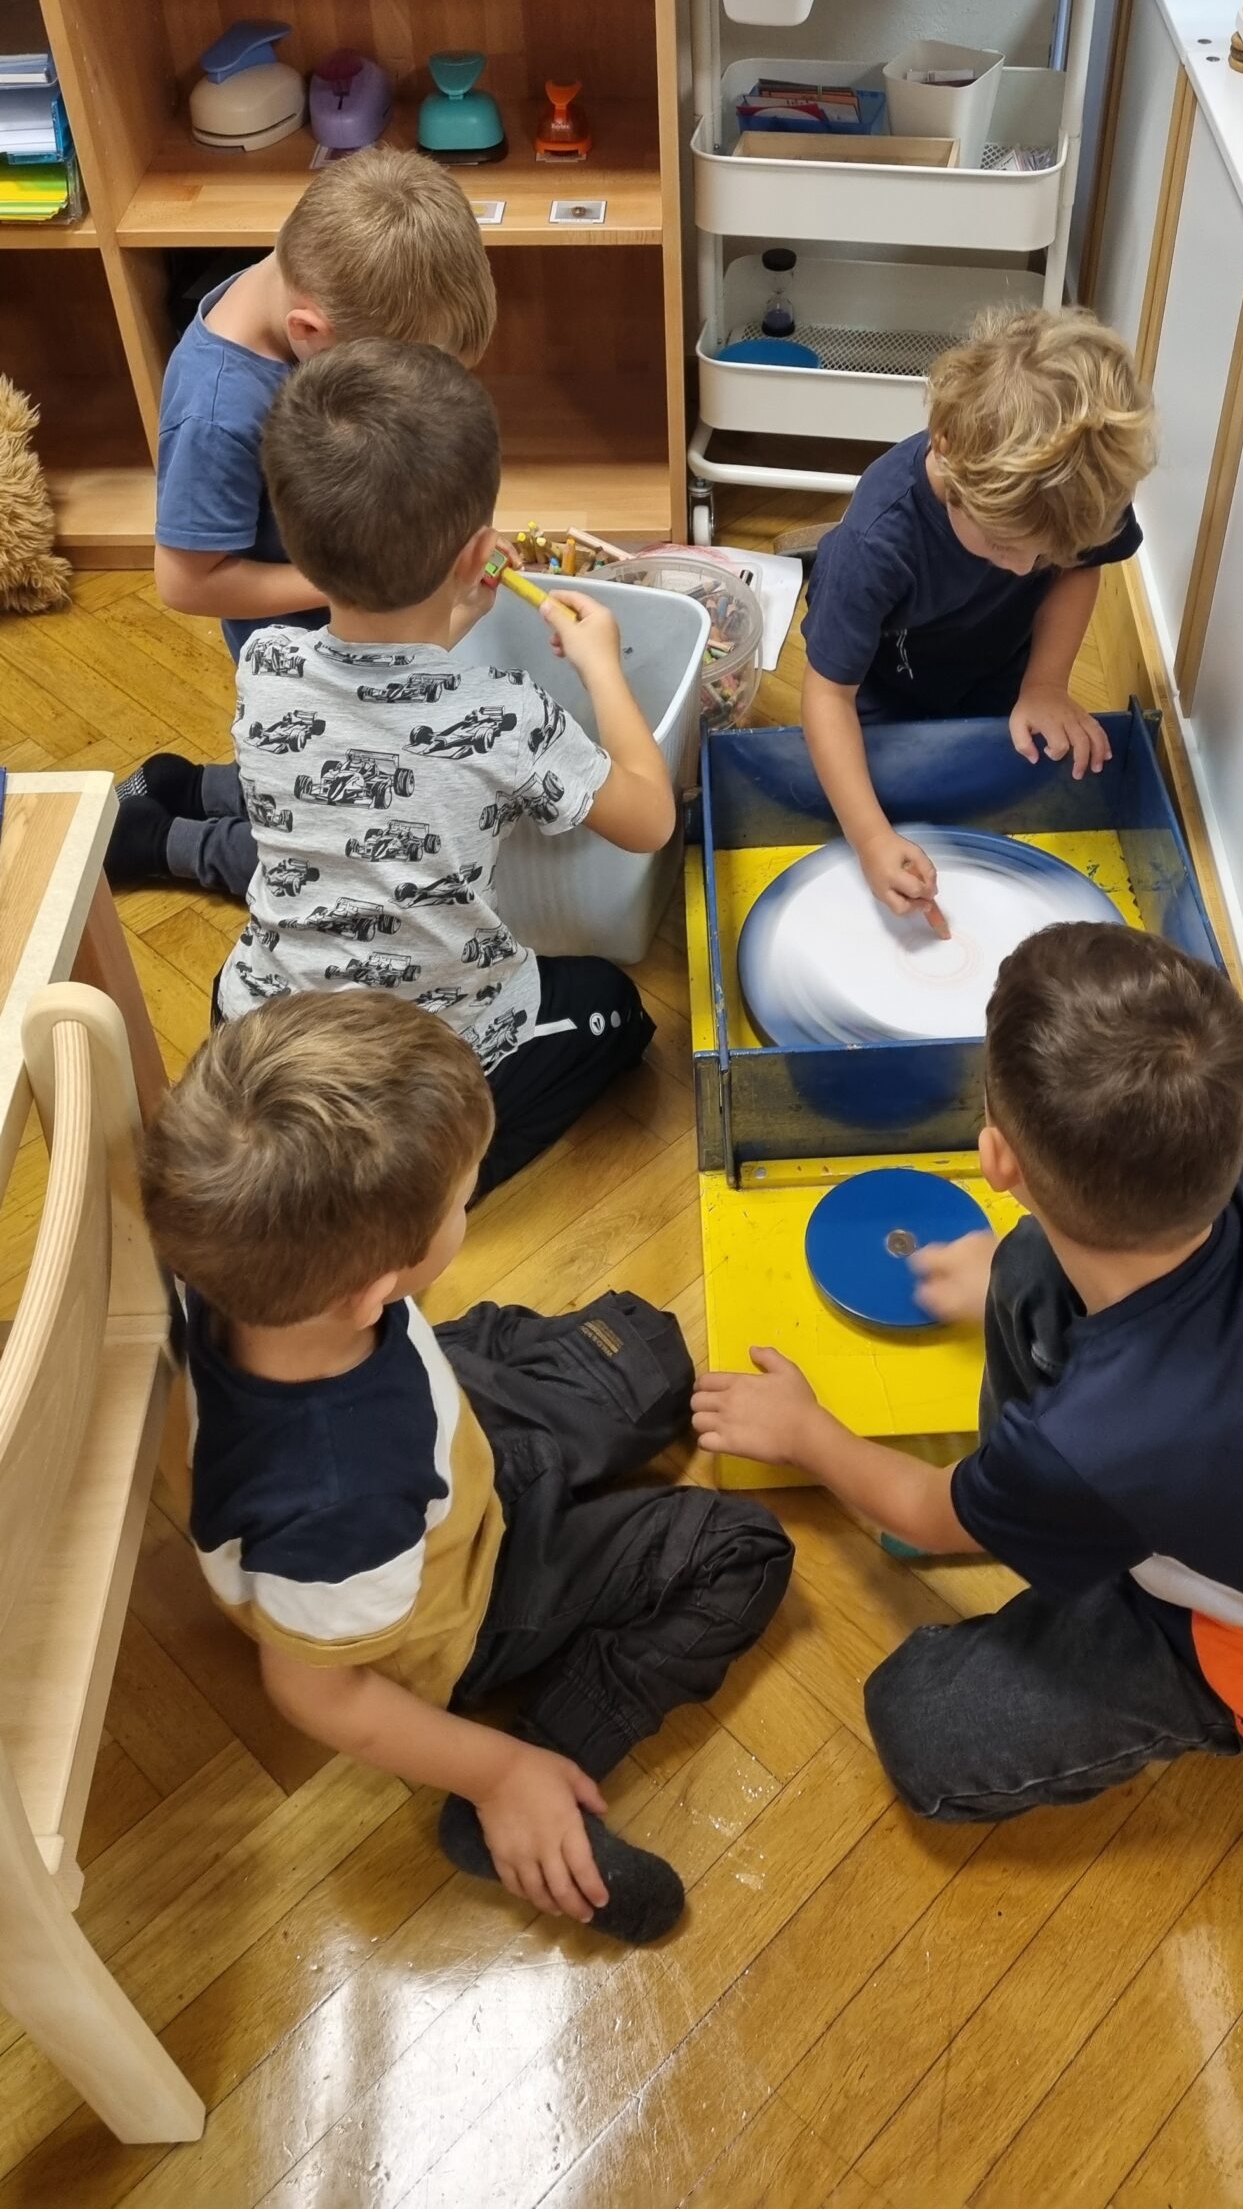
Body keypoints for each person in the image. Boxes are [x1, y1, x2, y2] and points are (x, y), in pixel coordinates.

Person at [694, 922, 1243, 1820]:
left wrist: (804, 1431)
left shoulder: (1090, 1440)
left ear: (996, 1160)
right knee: (1024, 1261)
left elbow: (925, 1516)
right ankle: (1041, 1522)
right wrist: (1004, 1282)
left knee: (915, 1720)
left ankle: (1055, 1548)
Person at [140, 993, 793, 1941]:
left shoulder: (214, 1246)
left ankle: (542, 1428)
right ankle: (540, 1770)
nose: (468, 1206)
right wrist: (496, 1772)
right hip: (462, 1598)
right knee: (741, 1550)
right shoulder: (343, 1504)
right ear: (373, 1292)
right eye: (463, 1201)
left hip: (449, 1453)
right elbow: (316, 1691)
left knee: (650, 1355)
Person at [214, 336, 674, 1192]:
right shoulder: (503, 714)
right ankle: (413, 1182)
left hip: (264, 1028)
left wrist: (455, 614)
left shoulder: (265, 662)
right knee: (615, 1009)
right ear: (477, 553)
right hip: (420, 1070)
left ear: (300, 548)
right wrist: (602, 667)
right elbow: (649, 818)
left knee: (241, 988)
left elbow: (385, 692)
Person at [110, 148, 498, 899]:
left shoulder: (313, 282)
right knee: (347, 841)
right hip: (306, 653)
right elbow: (185, 583)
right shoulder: (218, 413)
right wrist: (368, 577)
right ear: (311, 332)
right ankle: (164, 842)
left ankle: (194, 787)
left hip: (352, 626)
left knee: (329, 771)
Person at [801, 307, 1157, 925]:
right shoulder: (874, 543)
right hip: (882, 683)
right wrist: (871, 839)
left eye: (1044, 555)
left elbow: (1080, 569)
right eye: (1001, 545)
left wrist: (1046, 684)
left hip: (997, 664)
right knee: (875, 797)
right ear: (947, 451)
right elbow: (827, 696)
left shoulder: (1078, 492)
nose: (1023, 569)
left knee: (995, 795)